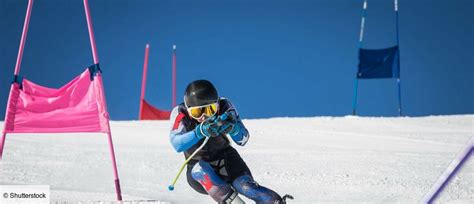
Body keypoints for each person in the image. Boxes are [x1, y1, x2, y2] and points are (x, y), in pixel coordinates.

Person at [169, 80, 292, 204]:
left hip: (226, 160)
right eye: (197, 112)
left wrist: (234, 129)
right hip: (197, 168)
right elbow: (177, 144)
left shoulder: (225, 106)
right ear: (189, 110)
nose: (204, 117)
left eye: (210, 110)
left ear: (217, 105)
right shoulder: (180, 113)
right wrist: (199, 132)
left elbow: (243, 139)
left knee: (245, 187)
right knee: (200, 170)